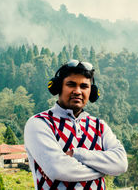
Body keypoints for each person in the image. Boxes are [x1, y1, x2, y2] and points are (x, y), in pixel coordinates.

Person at [24, 59, 128, 190]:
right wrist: (105, 169)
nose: (77, 91)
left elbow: (121, 164)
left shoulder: (99, 126)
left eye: (84, 86)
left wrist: (76, 154)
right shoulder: (39, 123)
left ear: (92, 92)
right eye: (71, 84)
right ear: (58, 87)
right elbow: (59, 169)